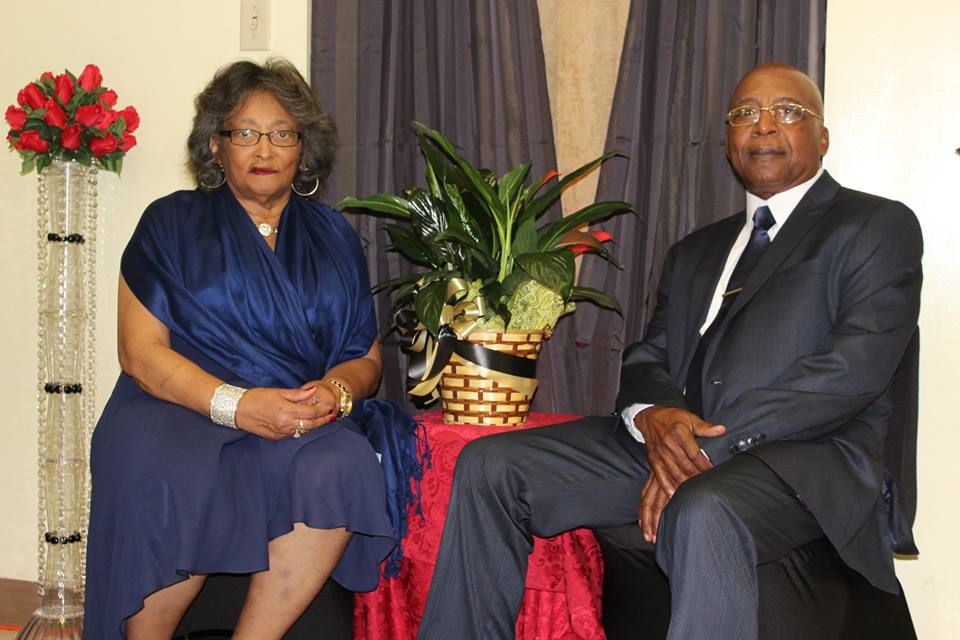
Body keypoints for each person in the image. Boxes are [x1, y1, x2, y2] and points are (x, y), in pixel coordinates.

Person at [416, 62, 922, 640]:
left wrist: (704, 450)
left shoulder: (875, 225)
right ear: (728, 141)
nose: (763, 125)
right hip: (671, 446)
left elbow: (851, 371)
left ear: (822, 136)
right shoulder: (696, 250)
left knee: (702, 507)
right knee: (491, 466)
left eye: (787, 111)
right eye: (744, 114)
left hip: (800, 457)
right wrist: (653, 416)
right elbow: (647, 355)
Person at [84, 58, 421, 639]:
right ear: (216, 147)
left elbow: (364, 358)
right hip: (178, 408)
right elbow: (140, 354)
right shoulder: (169, 223)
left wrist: (334, 394)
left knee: (341, 463)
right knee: (166, 470)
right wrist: (236, 405)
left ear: (303, 150)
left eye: (282, 133)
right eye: (245, 132)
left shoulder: (334, 235)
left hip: (293, 416)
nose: (264, 148)